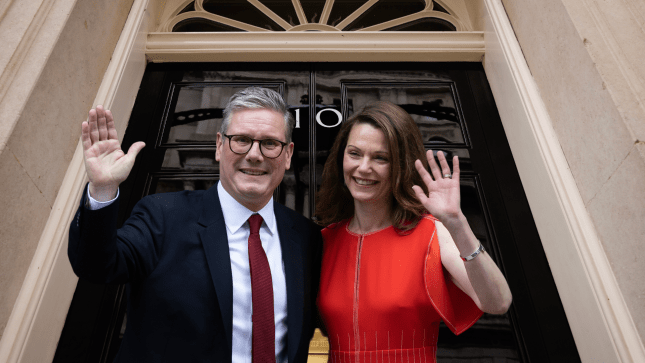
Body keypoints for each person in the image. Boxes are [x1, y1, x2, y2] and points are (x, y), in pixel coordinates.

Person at [68, 87, 322, 363]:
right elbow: (96, 266)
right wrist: (102, 190)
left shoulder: (305, 236)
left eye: (270, 143)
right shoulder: (163, 216)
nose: (254, 154)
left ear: (287, 155)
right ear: (219, 145)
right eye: (241, 140)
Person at [315, 101, 512, 362]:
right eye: (354, 153)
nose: (363, 167)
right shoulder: (324, 241)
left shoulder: (431, 232)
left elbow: (497, 303)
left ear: (401, 165)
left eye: (380, 157)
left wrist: (457, 223)